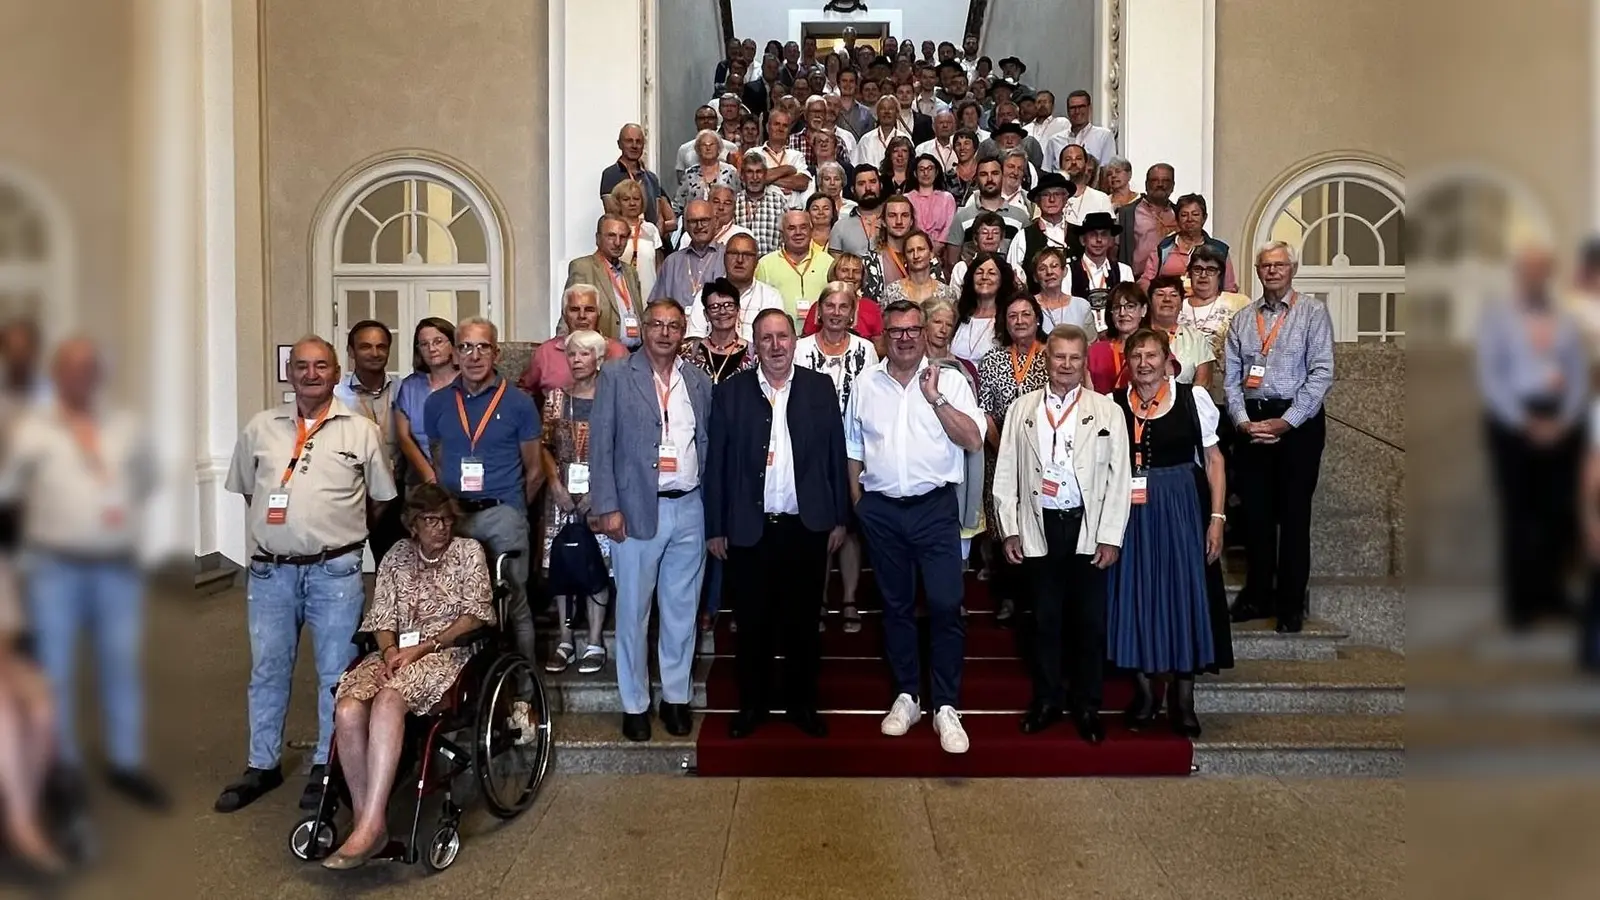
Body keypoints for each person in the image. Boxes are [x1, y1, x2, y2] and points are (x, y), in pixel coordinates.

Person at [217, 336, 397, 813]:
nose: (311, 374)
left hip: (335, 574)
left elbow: (380, 499)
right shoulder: (260, 428)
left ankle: (326, 764)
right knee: (267, 670)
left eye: (321, 366)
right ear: (289, 373)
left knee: (336, 675)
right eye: (302, 366)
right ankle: (262, 764)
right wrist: (283, 532)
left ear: (337, 374)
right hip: (271, 575)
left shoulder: (360, 430)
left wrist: (338, 533)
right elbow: (246, 492)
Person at [0, 338, 168, 814]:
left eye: (89, 368)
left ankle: (126, 763)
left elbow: (147, 480)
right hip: (55, 567)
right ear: (56, 375)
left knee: (121, 666)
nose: (80, 376)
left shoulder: (127, 426)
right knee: (56, 671)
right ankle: (63, 770)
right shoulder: (33, 429)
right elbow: (8, 490)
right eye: (71, 368)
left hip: (116, 567)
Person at [322, 485, 495, 869]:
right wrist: (388, 652)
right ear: (412, 524)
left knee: (388, 700)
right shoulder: (396, 558)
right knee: (349, 707)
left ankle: (368, 826)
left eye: (447, 519)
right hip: (397, 653)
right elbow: (382, 618)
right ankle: (369, 821)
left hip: (445, 654)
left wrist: (425, 646)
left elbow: (475, 615)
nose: (442, 527)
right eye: (432, 520)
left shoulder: (468, 554)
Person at [846, 300, 986, 754]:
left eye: (912, 330)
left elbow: (972, 439)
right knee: (896, 605)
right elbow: (853, 448)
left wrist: (936, 398)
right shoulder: (866, 383)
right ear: (883, 335)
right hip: (882, 511)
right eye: (895, 331)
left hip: (933, 509)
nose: (904, 338)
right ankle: (907, 695)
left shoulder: (950, 382)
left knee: (946, 604)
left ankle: (946, 705)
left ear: (925, 333)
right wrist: (859, 504)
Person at [707, 310, 849, 738]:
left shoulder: (819, 388)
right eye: (766, 338)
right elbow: (717, 466)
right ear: (754, 345)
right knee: (753, 624)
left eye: (782, 336)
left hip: (805, 527)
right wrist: (716, 526)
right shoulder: (730, 393)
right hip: (750, 529)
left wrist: (840, 517)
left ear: (794, 340)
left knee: (803, 623)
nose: (775, 345)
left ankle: (802, 704)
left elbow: (835, 457)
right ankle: (752, 706)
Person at [992, 324, 1130, 741]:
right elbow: (1006, 475)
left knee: (1089, 622)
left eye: (1074, 358)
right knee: (1046, 620)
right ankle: (1048, 700)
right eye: (1058, 357)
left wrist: (1110, 536)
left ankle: (1088, 706)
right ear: (1046, 359)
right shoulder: (1023, 408)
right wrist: (1010, 530)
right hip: (1041, 524)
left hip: (1086, 525)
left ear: (1084, 361)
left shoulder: (1107, 410)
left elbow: (1119, 479)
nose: (1066, 365)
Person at [588, 299, 714, 742]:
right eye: (656, 324)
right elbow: (599, 446)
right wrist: (606, 507)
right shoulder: (618, 376)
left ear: (684, 332)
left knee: (682, 611)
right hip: (635, 508)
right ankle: (634, 703)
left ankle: (675, 698)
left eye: (674, 326)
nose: (664, 332)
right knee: (634, 610)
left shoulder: (697, 380)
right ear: (643, 327)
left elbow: (707, 443)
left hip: (690, 507)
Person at [1108, 328, 1227, 737]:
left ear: (1167, 360)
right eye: (1136, 355)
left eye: (1152, 355)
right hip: (1132, 512)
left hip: (1182, 507)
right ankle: (1145, 694)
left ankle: (1183, 697)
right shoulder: (1113, 405)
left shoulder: (1192, 399)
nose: (1144, 362)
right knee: (1136, 594)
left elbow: (1214, 461)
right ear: (1127, 362)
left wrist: (1217, 518)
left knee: (1184, 595)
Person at [1224, 242, 1335, 634]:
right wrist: (1240, 422)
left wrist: (1286, 422)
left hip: (1297, 426)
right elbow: (1232, 380)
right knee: (1255, 516)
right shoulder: (1242, 319)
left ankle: (1290, 604)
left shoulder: (1313, 313)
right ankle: (1257, 595)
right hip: (1252, 424)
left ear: (1293, 269)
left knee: (1292, 517)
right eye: (1266, 266)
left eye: (1280, 265)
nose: (1272, 271)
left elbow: (1322, 373)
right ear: (1257, 271)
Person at [1479, 244, 1589, 630]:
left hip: (1561, 420)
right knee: (1519, 515)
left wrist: (1565, 420)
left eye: (1543, 269)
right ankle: (1520, 604)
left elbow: (1577, 373)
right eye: (1529, 269)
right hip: (1513, 423)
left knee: (1559, 514)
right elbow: (1491, 377)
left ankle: (1552, 596)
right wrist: (1525, 423)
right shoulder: (1498, 318)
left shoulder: (1565, 319)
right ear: (1518, 273)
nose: (1536, 276)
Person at [422, 319, 543, 660]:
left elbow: (535, 472)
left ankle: (524, 691)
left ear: (496, 352)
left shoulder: (519, 403)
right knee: (451, 603)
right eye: (465, 347)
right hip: (454, 518)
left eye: (483, 347)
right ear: (455, 355)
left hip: (503, 515)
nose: (474, 356)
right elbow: (439, 459)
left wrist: (514, 510)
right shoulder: (437, 404)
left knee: (514, 603)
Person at [797, 283, 880, 632]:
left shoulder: (867, 350)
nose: (835, 312)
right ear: (819, 311)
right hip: (810, 451)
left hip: (856, 450)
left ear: (852, 312)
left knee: (850, 528)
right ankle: (815, 600)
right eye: (828, 305)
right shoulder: (800, 349)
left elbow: (875, 399)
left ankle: (848, 599)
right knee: (816, 528)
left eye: (842, 306)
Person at [540, 330, 615, 675]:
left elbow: (621, 447)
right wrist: (554, 483)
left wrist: (596, 493)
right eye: (571, 354)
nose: (576, 360)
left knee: (596, 564)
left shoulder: (613, 396)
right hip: (560, 496)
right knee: (563, 564)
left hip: (602, 493)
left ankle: (595, 640)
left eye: (584, 354)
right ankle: (566, 640)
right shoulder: (556, 397)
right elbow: (542, 445)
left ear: (599, 359)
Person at [333, 320, 403, 561]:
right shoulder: (336, 396)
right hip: (352, 491)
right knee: (345, 563)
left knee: (394, 563)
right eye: (365, 346)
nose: (375, 353)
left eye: (381, 347)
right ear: (351, 352)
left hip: (396, 493)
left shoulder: (403, 389)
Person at [520, 284, 629, 400]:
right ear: (564, 315)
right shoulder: (546, 353)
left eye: (589, 310)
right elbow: (523, 394)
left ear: (599, 313)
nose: (582, 316)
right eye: (574, 310)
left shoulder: (618, 352)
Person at [393, 318, 458, 488]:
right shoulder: (410, 386)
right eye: (424, 344)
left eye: (438, 341)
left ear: (453, 344)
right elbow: (404, 437)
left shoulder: (470, 382)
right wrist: (430, 478)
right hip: (424, 479)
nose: (431, 349)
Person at [567, 214, 644, 346]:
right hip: (603, 351)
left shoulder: (631, 273)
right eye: (611, 236)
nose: (618, 242)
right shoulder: (583, 267)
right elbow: (570, 313)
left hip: (635, 355)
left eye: (623, 237)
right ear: (598, 239)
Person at [944, 157, 1032, 272]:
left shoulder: (1021, 217)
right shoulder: (962, 216)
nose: (990, 179)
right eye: (983, 174)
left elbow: (1028, 259)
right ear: (976, 178)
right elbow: (952, 262)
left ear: (1002, 176)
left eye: (995, 173)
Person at [1141, 193, 1238, 292]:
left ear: (1204, 218)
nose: (1190, 219)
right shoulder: (1163, 247)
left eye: (1195, 214)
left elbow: (1228, 288)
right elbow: (1146, 281)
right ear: (1177, 220)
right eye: (1184, 215)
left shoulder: (1220, 250)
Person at [698, 233, 784, 341]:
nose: (740, 260)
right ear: (724, 258)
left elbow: (775, 340)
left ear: (756, 261)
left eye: (747, 254)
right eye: (734, 253)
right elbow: (695, 338)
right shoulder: (707, 295)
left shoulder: (771, 297)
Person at [599, 123, 676, 237]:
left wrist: (654, 241)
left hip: (651, 241)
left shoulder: (652, 178)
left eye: (638, 141)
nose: (634, 145)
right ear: (619, 144)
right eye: (629, 141)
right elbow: (613, 214)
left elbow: (658, 217)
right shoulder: (610, 174)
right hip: (625, 242)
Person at [754, 210, 834, 319]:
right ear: (782, 234)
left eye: (803, 227)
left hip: (819, 332)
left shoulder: (828, 262)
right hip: (780, 333)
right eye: (791, 228)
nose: (798, 233)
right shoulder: (765, 264)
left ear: (811, 231)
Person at [1178, 244, 1251, 361]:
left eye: (1210, 270)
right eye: (1197, 269)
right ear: (1189, 274)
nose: (1203, 275)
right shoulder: (1177, 306)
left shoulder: (1239, 303)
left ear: (1220, 275)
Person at [1006, 171, 1080, 279]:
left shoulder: (1079, 234)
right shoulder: (1023, 237)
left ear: (1065, 199)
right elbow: (1013, 276)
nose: (1052, 199)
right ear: (1038, 200)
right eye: (1046, 195)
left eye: (1057, 194)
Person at [606, 180, 664, 314]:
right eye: (626, 199)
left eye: (636, 199)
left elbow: (659, 265)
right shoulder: (613, 228)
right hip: (620, 293)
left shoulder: (651, 229)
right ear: (618, 202)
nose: (632, 203)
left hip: (649, 294)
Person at [1148, 275, 1216, 387]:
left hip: (1185, 402)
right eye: (1160, 294)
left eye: (1174, 295)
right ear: (1150, 302)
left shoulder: (1196, 338)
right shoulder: (1138, 336)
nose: (1167, 299)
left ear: (1181, 304)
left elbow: (1203, 385)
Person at [801, 253, 885, 340]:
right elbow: (807, 342)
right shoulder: (820, 306)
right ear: (834, 273)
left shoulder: (871, 307)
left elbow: (880, 348)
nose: (850, 276)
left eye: (856, 271)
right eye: (845, 270)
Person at [952, 251, 1015, 365]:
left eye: (991, 273)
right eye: (979, 272)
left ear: (1002, 280)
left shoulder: (1009, 318)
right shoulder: (958, 315)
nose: (984, 277)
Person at [1119, 164, 1176, 278]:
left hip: (1171, 283)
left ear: (1173, 185)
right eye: (1155, 180)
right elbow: (1115, 251)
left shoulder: (1180, 214)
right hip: (1136, 281)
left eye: (1166, 181)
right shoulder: (1127, 213)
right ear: (1146, 184)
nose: (1160, 185)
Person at [1041, 90, 1117, 175]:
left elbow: (1106, 171)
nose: (1077, 112)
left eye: (1081, 107)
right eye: (1073, 108)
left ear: (1089, 108)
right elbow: (1046, 173)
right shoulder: (1054, 141)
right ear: (1067, 110)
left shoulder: (1104, 136)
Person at [750, 108, 813, 206]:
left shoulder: (796, 155)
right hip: (763, 209)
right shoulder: (754, 153)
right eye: (776, 124)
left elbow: (802, 183)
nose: (780, 128)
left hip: (793, 211)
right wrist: (788, 169)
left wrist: (768, 180)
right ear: (767, 127)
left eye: (785, 126)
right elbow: (752, 179)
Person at [881, 230, 958, 308]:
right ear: (905, 258)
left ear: (931, 253)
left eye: (921, 249)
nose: (916, 255)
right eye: (910, 251)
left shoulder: (947, 294)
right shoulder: (891, 292)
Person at [1031, 246, 1098, 336]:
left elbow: (1091, 345)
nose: (1049, 272)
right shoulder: (1029, 306)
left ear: (1064, 271)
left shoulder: (1081, 306)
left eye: (1054, 266)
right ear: (1035, 277)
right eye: (1042, 268)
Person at [674, 131, 742, 218]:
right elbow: (678, 205)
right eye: (704, 145)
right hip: (697, 223)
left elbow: (739, 198)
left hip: (724, 221)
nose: (708, 148)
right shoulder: (690, 173)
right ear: (698, 149)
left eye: (711, 144)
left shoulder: (731, 172)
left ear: (719, 148)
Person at [733, 155, 790, 256]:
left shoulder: (779, 202)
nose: (755, 177)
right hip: (740, 264)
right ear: (742, 176)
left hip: (771, 266)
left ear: (765, 175)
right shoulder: (734, 202)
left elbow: (787, 238)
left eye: (759, 172)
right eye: (750, 172)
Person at [906, 154, 956, 246]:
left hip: (942, 249)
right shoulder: (907, 198)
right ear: (915, 173)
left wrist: (937, 246)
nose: (926, 173)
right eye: (921, 169)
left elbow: (949, 227)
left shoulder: (947, 198)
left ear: (936, 172)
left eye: (930, 168)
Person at [852, 95, 913, 169]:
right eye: (883, 109)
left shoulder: (905, 139)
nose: (886, 112)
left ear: (897, 113)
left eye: (890, 109)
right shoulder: (866, 140)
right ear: (877, 113)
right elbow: (857, 166)